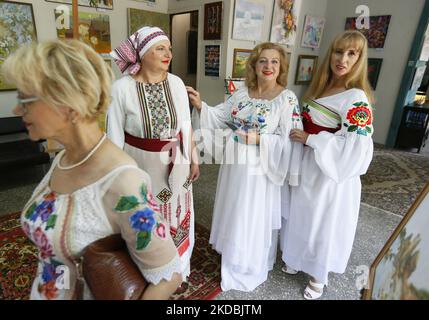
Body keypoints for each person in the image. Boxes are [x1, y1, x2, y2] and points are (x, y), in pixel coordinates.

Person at [1, 39, 183, 300]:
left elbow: (168, 277)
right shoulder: (64, 158)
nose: (17, 109)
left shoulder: (124, 183)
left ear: (68, 104)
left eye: (26, 99)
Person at [187, 42, 303, 292]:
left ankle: (247, 263)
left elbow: (291, 138)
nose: (268, 66)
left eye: (274, 61)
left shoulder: (287, 99)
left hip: (261, 168)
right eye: (263, 60)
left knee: (250, 212)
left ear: (281, 65)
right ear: (254, 65)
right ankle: (233, 253)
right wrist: (200, 105)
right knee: (234, 207)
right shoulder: (241, 92)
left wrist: (260, 139)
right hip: (234, 164)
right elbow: (221, 116)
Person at [280, 30, 375, 299]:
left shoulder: (356, 97)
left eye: (351, 53)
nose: (342, 59)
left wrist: (312, 138)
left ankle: (318, 276)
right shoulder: (321, 87)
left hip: (331, 173)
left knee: (323, 222)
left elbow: (357, 148)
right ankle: (297, 257)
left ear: (359, 59)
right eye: (338, 51)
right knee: (302, 214)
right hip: (308, 164)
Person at [107, 26, 199, 281]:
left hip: (176, 160)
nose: (168, 53)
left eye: (169, 48)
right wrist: (119, 177)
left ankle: (178, 270)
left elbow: (185, 124)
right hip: (139, 164)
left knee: (178, 213)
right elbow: (114, 137)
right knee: (145, 218)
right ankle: (149, 275)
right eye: (160, 48)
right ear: (142, 53)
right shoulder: (121, 88)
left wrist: (193, 155)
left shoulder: (177, 83)